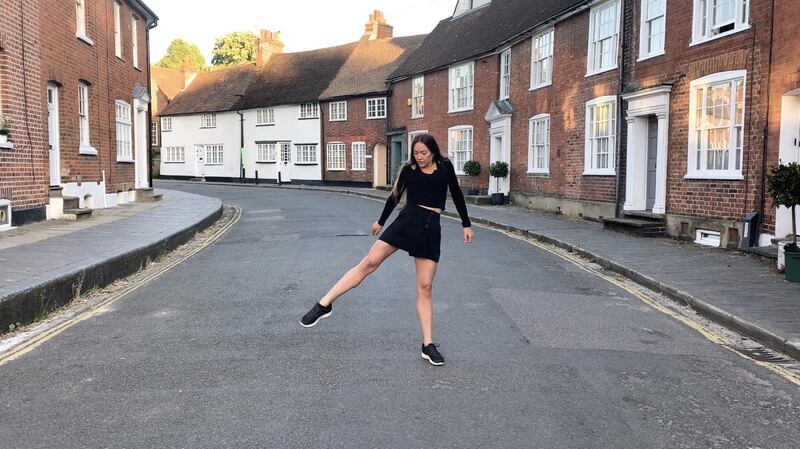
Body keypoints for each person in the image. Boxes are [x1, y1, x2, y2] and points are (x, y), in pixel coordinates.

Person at [300, 133, 474, 366]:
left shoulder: (445, 167)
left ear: (433, 151)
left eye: (423, 153)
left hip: (431, 227)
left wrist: (466, 224)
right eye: (415, 153)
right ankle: (324, 304)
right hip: (407, 221)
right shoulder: (408, 171)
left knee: (425, 287)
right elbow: (394, 197)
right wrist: (381, 222)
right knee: (369, 263)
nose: (419, 157)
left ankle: (428, 344)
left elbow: (457, 194)